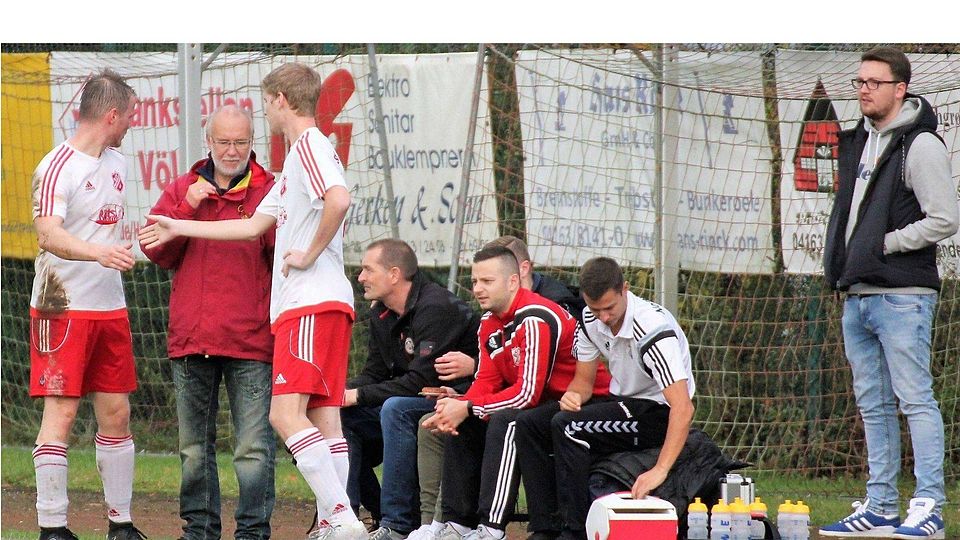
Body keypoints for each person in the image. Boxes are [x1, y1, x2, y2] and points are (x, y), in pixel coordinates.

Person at [140, 62, 367, 540]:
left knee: (283, 416)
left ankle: (341, 517)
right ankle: (334, 519)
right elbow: (247, 227)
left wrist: (310, 250)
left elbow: (339, 200)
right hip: (325, 305)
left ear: (280, 100)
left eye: (265, 104)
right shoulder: (289, 168)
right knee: (325, 417)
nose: (264, 114)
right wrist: (177, 223)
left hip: (307, 304)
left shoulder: (308, 144)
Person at [820, 47, 958, 540]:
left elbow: (944, 218)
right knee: (872, 406)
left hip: (903, 296)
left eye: (875, 82)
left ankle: (928, 506)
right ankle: (879, 506)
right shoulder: (859, 141)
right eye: (860, 81)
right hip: (857, 295)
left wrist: (884, 247)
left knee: (915, 400)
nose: (864, 89)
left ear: (900, 88)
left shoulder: (920, 145)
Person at [139, 105, 277, 540]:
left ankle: (253, 532)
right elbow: (154, 252)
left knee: (252, 449)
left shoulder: (271, 189)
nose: (232, 150)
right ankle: (198, 532)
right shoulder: (183, 188)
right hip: (191, 337)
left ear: (252, 141)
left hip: (251, 340)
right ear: (209, 142)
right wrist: (185, 209)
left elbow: (285, 253)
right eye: (224, 142)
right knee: (193, 449)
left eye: (240, 141)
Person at [29, 69, 146, 540]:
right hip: (61, 306)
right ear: (112, 115)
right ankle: (52, 527)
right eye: (131, 116)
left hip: (109, 310)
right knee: (62, 413)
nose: (133, 124)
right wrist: (97, 252)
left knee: (117, 414)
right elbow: (48, 233)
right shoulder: (57, 165)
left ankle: (121, 524)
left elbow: (112, 230)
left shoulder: (117, 163)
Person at [423, 246, 611, 540]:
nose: (478, 289)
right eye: (474, 282)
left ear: (512, 281)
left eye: (487, 281)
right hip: (547, 404)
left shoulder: (534, 317)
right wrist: (459, 406)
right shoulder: (488, 322)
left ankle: (491, 528)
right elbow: (486, 380)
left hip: (585, 401)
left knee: (507, 420)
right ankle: (457, 524)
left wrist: (469, 406)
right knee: (464, 414)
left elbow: (527, 395)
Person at [515, 257, 695, 540]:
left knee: (569, 427)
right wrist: (573, 396)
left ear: (625, 289)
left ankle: (574, 531)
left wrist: (660, 470)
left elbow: (683, 407)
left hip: (657, 412)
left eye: (609, 308)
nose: (604, 317)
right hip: (621, 403)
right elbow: (583, 384)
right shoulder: (589, 318)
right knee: (528, 424)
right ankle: (543, 527)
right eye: (595, 308)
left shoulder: (651, 329)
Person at [336, 239, 478, 540]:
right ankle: (346, 522)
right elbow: (374, 373)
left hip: (456, 402)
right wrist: (337, 394)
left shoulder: (436, 307)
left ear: (394, 274)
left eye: (367, 269)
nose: (360, 277)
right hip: (407, 401)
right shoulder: (381, 312)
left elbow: (417, 382)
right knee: (336, 418)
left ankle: (397, 525)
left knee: (395, 408)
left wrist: (357, 395)